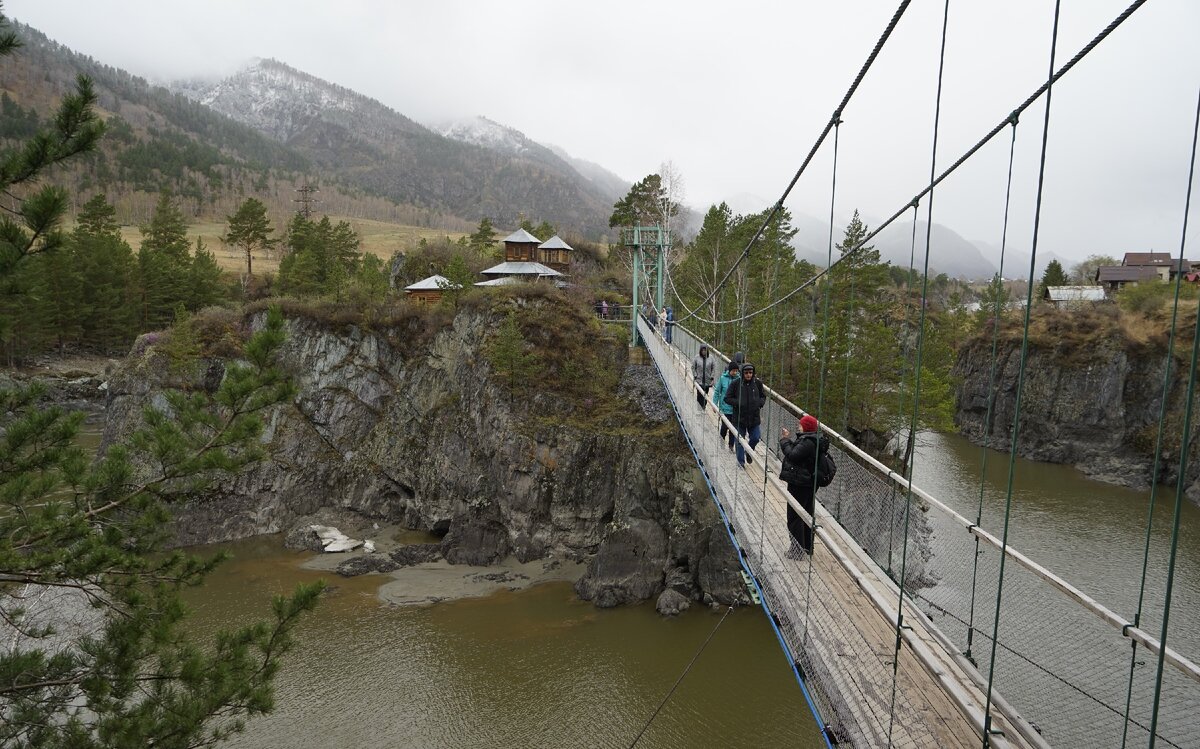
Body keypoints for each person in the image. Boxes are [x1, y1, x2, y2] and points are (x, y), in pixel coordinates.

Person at [779, 414, 830, 557]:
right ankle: (807, 547)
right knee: (807, 514)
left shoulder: (808, 442)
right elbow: (798, 453)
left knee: (794, 517)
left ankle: (797, 551)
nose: (798, 426)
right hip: (809, 483)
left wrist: (785, 440)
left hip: (800, 483)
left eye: (801, 424)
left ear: (806, 427)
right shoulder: (814, 440)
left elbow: (792, 455)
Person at [723, 362, 766, 467]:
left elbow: (763, 396)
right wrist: (738, 402)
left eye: (750, 372)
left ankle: (749, 451)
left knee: (756, 437)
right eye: (746, 373)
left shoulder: (758, 383)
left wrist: (759, 403)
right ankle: (741, 463)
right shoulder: (736, 384)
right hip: (739, 418)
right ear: (742, 373)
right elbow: (727, 398)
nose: (748, 375)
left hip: (754, 418)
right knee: (739, 441)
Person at [712, 361, 740, 451]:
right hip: (724, 407)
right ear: (729, 370)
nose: (735, 372)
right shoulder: (723, 378)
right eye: (733, 370)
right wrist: (714, 404)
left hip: (735, 408)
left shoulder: (739, 379)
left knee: (733, 428)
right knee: (724, 427)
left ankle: (731, 446)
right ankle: (721, 442)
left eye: (736, 371)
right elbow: (717, 392)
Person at [691, 345, 717, 411]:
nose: (704, 351)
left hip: (707, 381)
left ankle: (703, 408)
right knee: (699, 395)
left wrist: (712, 377)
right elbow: (693, 367)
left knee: (705, 395)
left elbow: (714, 368)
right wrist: (695, 375)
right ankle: (699, 410)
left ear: (707, 350)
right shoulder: (697, 357)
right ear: (700, 351)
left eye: (705, 350)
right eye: (702, 350)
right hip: (699, 380)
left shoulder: (711, 358)